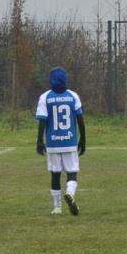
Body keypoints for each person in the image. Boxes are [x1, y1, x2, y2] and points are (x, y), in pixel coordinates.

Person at [35, 66, 86, 216]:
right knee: (72, 173)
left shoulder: (45, 97)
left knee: (55, 174)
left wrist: (39, 140)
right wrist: (83, 139)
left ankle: (57, 207)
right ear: (65, 79)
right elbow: (80, 120)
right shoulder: (73, 96)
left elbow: (42, 121)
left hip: (52, 143)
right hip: (70, 142)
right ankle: (70, 193)